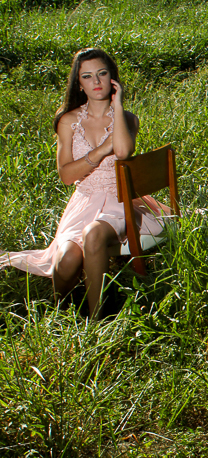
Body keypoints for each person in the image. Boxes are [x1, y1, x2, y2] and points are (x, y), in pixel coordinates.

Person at [0, 48, 171, 318]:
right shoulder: (68, 121)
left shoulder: (127, 118)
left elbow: (123, 152)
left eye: (102, 73)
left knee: (93, 234)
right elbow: (67, 176)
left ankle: (97, 320)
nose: (96, 81)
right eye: (87, 76)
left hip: (118, 200)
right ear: (79, 83)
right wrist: (100, 151)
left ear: (113, 78)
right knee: (68, 259)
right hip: (84, 201)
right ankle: (60, 309)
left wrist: (117, 105)